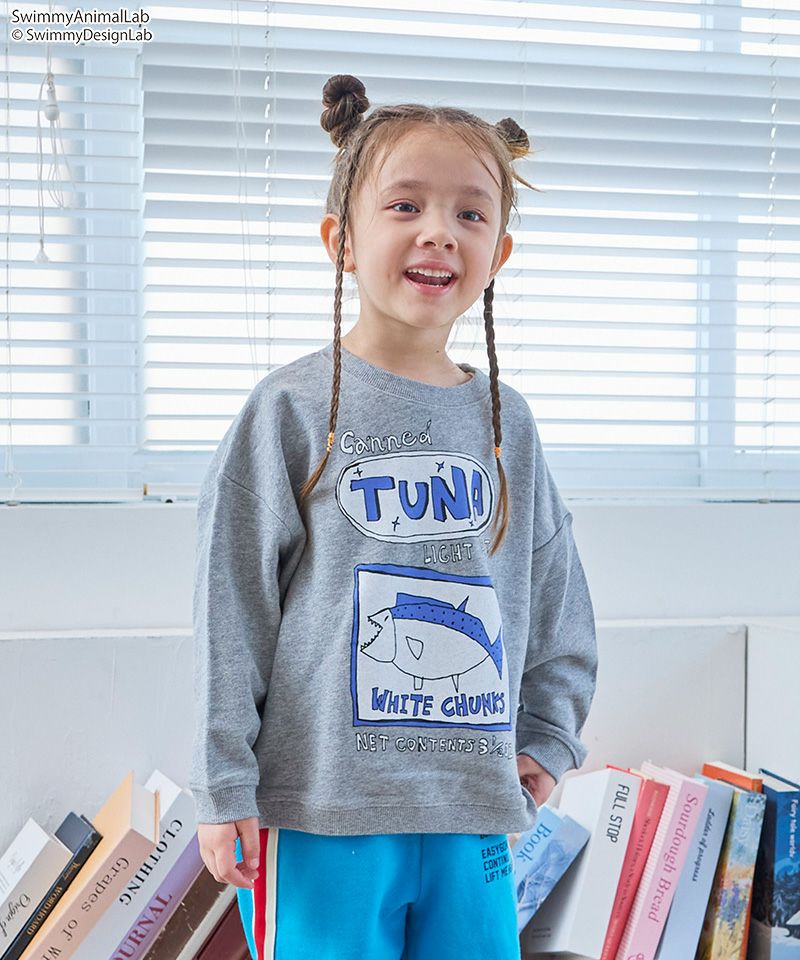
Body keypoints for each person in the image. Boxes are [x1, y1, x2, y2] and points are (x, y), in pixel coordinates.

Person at [189, 74, 598, 960]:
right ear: (341, 239)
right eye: (405, 205)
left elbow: (556, 591)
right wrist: (225, 783)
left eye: (470, 213)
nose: (439, 231)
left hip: (472, 808)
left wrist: (549, 733)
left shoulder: (509, 424)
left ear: (499, 252)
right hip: (320, 811)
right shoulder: (290, 412)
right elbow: (231, 608)